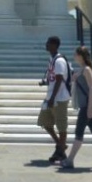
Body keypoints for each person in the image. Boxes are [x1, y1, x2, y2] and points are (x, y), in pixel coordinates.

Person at [36, 36, 72, 164]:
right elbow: (53, 78)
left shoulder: (59, 61)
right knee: (45, 122)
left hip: (59, 98)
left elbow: (59, 79)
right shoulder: (52, 59)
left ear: (54, 45)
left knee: (61, 126)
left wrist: (52, 98)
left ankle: (60, 152)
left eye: (48, 43)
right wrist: (45, 82)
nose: (46, 45)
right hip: (51, 96)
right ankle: (60, 145)